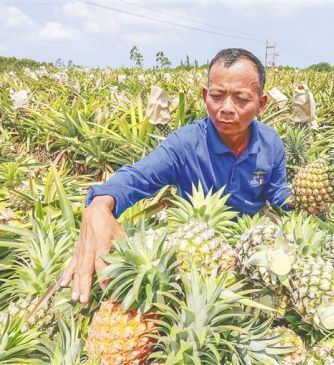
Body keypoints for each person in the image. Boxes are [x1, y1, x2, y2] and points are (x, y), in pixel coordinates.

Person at [60, 48, 292, 304]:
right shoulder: (185, 144)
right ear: (205, 97)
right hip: (195, 257)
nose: (226, 108)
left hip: (251, 249)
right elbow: (138, 176)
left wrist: (302, 201)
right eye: (217, 96)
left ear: (261, 104)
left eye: (241, 99)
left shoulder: (271, 142)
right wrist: (101, 204)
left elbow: (277, 191)